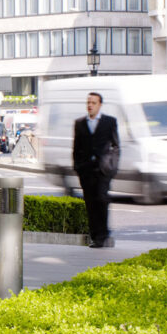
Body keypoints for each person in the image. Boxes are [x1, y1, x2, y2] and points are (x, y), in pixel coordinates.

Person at [69, 90, 120, 249]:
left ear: (100, 105)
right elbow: (76, 147)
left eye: (93, 103)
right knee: (90, 203)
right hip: (86, 171)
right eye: (88, 103)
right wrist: (78, 167)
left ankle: (103, 234)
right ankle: (95, 236)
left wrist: (112, 166)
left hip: (103, 170)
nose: (90, 105)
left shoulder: (109, 122)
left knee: (101, 199)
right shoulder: (80, 123)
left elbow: (116, 145)